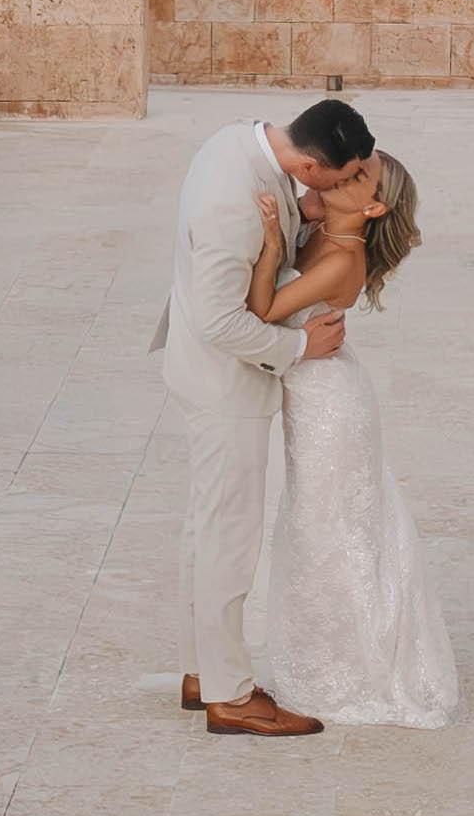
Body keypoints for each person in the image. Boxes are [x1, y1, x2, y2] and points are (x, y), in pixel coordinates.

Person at [152, 99, 371, 735]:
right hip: (224, 385)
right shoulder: (233, 198)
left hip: (205, 373)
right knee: (229, 537)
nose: (341, 187)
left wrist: (301, 219)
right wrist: (299, 347)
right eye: (341, 177)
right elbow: (221, 321)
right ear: (310, 166)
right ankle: (230, 696)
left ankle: (203, 670)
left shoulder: (238, 141)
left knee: (208, 527)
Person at [239, 149, 455, 727]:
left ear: (374, 207)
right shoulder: (317, 230)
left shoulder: (341, 258)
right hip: (311, 390)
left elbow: (263, 309)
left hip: (330, 405)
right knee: (314, 526)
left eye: (358, 177)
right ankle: (321, 656)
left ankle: (349, 670)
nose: (341, 175)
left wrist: (270, 245)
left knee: (330, 529)